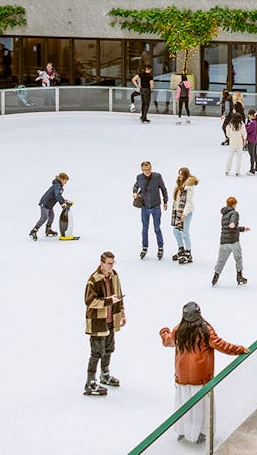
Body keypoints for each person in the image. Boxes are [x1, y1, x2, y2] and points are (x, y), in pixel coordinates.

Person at [159, 302, 249, 444]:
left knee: (183, 404)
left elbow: (167, 341)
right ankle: (198, 433)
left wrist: (164, 331)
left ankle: (183, 432)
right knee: (199, 408)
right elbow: (221, 345)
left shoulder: (179, 330)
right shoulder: (205, 330)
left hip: (181, 376)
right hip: (200, 378)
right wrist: (239, 349)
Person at [84, 251, 125, 396]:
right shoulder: (93, 280)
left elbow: (119, 294)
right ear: (102, 263)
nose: (111, 266)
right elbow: (89, 302)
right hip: (97, 321)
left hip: (111, 319)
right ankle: (90, 382)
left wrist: (122, 313)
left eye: (113, 263)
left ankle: (105, 374)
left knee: (109, 349)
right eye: (109, 263)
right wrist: (108, 301)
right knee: (96, 352)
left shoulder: (114, 275)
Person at [133, 161, 169, 260]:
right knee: (145, 228)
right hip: (145, 207)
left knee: (157, 228)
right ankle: (144, 247)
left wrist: (165, 201)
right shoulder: (139, 177)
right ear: (142, 170)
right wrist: (135, 192)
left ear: (151, 168)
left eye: (149, 169)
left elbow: (163, 189)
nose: (147, 171)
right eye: (145, 170)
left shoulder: (157, 177)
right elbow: (136, 185)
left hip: (156, 206)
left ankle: (160, 247)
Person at [212, 196, 249, 286]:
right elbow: (232, 223)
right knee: (238, 258)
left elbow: (229, 227)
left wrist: (243, 229)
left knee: (221, 260)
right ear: (234, 204)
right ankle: (239, 276)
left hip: (223, 241)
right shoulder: (234, 213)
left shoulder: (224, 215)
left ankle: (215, 277)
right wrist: (232, 223)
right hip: (233, 241)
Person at [169, 167, 198, 264]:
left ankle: (188, 254)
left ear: (186, 175)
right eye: (179, 173)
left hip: (186, 213)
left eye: (182, 174)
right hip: (178, 212)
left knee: (185, 233)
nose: (180, 176)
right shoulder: (180, 185)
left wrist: (184, 214)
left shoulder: (189, 187)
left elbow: (188, 202)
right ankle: (181, 249)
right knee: (176, 231)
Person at [30, 173, 69, 241]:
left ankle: (48, 230)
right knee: (44, 218)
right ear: (62, 179)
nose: (66, 183)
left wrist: (64, 201)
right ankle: (33, 231)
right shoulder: (57, 185)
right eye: (65, 181)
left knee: (51, 216)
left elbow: (58, 195)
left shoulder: (58, 185)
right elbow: (57, 195)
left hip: (49, 205)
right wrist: (62, 203)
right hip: (45, 204)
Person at [245, 109, 257, 175]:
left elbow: (248, 130)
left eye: (249, 116)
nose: (248, 117)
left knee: (252, 155)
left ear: (251, 115)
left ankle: (252, 169)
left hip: (251, 140)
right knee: (255, 154)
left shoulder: (253, 123)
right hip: (255, 140)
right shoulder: (256, 122)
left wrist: (246, 125)